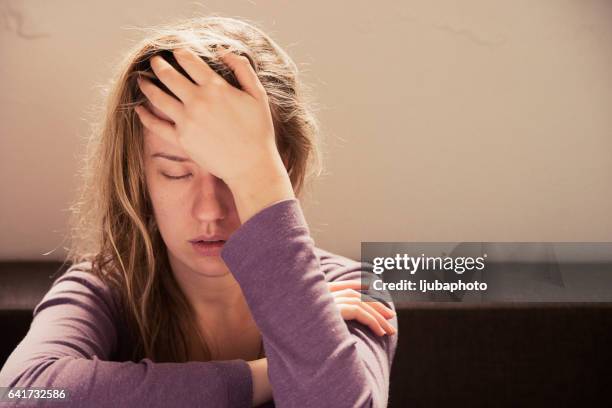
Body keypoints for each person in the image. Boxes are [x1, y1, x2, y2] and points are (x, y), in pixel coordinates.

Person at [0, 15, 398, 407]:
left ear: (284, 169)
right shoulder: (105, 289)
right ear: (141, 178)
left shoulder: (351, 290)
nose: (209, 211)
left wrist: (259, 174)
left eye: (232, 174)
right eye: (175, 173)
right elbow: (22, 393)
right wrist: (267, 372)